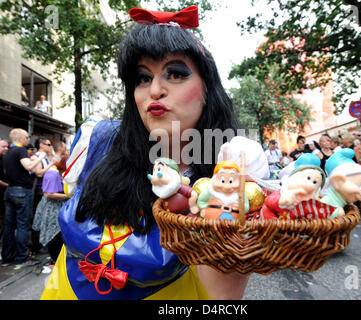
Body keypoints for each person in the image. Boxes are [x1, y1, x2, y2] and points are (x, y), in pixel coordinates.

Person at [41, 6, 250, 300]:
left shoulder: (229, 176)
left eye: (175, 74)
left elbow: (219, 299)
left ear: (208, 89)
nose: (154, 90)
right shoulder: (97, 140)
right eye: (142, 78)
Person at [1, 129, 47, 266]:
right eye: (27, 137)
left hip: (10, 191)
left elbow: (6, 171)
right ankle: (22, 257)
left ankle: (7, 257)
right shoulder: (20, 150)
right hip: (21, 192)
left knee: (9, 226)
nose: (28, 140)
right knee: (22, 225)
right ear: (20, 138)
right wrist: (41, 157)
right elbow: (28, 166)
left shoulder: (8, 153)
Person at [33, 149, 69, 264]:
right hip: (51, 208)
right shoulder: (52, 174)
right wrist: (68, 196)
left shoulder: (58, 173)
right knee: (53, 234)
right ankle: (55, 260)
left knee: (58, 234)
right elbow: (48, 194)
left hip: (57, 206)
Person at [31, 138, 56, 254]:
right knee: (38, 218)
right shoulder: (36, 157)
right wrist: (51, 164)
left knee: (44, 218)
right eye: (48, 144)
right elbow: (39, 173)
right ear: (41, 145)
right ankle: (36, 246)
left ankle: (42, 243)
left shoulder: (45, 157)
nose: (50, 146)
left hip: (45, 191)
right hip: (39, 191)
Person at [0, 138, 9, 240]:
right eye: (3, 147)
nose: (6, 149)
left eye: (7, 146)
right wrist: (8, 185)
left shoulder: (4, 159)